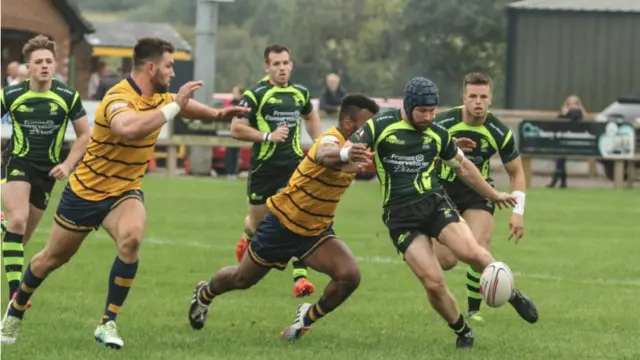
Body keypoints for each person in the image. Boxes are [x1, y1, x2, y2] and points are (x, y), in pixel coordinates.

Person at [0, 36, 249, 348]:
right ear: (150, 68)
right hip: (86, 191)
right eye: (168, 66)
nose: (172, 73)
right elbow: (128, 127)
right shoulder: (118, 97)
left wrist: (216, 115)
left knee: (131, 238)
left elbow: (179, 104)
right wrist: (175, 105)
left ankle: (108, 322)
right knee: (51, 258)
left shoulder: (159, 97)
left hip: (124, 192)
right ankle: (15, 309)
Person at [347, 77, 538, 349]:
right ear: (409, 106)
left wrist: (494, 195)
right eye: (422, 111)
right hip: (401, 218)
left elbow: (464, 168)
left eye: (431, 111)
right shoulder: (380, 126)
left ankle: (511, 292)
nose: (428, 117)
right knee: (434, 280)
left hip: (436, 203)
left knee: (473, 250)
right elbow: (344, 149)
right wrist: (344, 156)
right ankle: (463, 329)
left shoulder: (439, 131)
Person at [188, 94, 379, 340]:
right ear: (350, 124)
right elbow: (324, 154)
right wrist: (345, 155)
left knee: (349, 275)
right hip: (282, 224)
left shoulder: (363, 147)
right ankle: (204, 293)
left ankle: (306, 317)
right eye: (368, 124)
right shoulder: (332, 139)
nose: (372, 131)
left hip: (315, 231)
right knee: (242, 278)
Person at [1, 35, 91, 306]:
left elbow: (85, 135)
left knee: (21, 236)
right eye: (38, 62)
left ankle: (2, 223)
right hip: (16, 162)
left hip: (47, 172)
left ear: (55, 66)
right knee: (18, 220)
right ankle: (15, 293)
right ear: (28, 67)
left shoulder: (67, 97)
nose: (44, 66)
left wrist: (66, 164)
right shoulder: (12, 94)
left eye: (48, 61)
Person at [432, 72, 527, 323]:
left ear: (490, 99)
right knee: (447, 261)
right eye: (472, 96)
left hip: (478, 192)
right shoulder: (442, 122)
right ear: (463, 97)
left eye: (483, 96)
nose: (478, 101)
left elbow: (516, 172)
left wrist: (518, 213)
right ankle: (424, 238)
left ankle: (474, 310)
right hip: (443, 191)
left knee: (478, 247)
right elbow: (421, 151)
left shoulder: (498, 131)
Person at [231, 44, 322, 298]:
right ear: (267, 67)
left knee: (293, 218)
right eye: (276, 64)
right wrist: (267, 135)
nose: (282, 68)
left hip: (293, 166)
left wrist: (320, 142)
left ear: (291, 65)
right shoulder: (256, 94)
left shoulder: (300, 93)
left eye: (285, 63)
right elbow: (236, 128)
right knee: (257, 224)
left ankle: (300, 277)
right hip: (263, 169)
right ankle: (246, 235)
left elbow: (311, 117)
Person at [547, 95, 586, 188]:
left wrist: (567, 114)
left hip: (576, 142)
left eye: (574, 103)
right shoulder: (563, 114)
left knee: (560, 155)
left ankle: (557, 179)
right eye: (569, 104)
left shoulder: (578, 114)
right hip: (563, 142)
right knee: (560, 155)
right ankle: (561, 181)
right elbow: (556, 124)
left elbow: (577, 124)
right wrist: (563, 114)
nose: (572, 106)